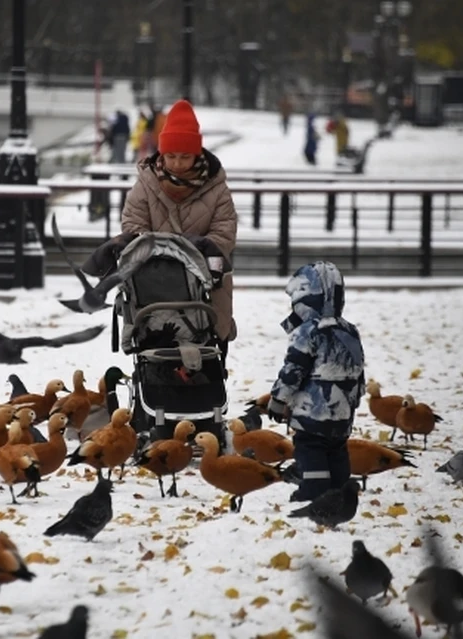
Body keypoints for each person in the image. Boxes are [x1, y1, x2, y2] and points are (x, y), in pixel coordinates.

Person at [120, 99, 238, 360]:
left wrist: (193, 253)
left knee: (209, 340)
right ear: (162, 153)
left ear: (197, 154)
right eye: (171, 156)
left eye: (185, 157)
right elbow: (133, 224)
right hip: (156, 279)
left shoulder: (216, 188)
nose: (177, 164)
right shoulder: (146, 185)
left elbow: (224, 232)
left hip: (206, 279)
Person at [266, 261, 365, 502]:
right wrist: (355, 399)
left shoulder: (307, 331)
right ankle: (340, 488)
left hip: (313, 412)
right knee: (337, 450)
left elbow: (294, 369)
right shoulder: (349, 331)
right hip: (342, 411)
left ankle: (314, 489)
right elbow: (358, 369)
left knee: (310, 449)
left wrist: (278, 399)